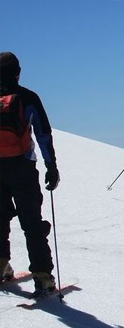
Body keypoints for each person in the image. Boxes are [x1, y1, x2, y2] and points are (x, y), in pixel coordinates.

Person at [0, 52, 60, 297]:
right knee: (32, 222)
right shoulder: (28, 97)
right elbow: (43, 134)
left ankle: (1, 265)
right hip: (22, 167)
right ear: (18, 72)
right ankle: (43, 276)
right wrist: (51, 165)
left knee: (0, 218)